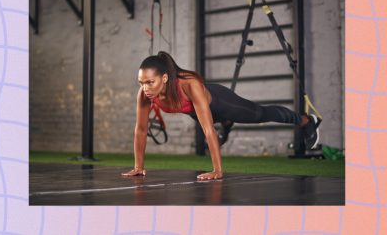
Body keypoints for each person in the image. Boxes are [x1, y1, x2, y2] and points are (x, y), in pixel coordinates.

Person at [121, 51, 320, 181]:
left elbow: (208, 129)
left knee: (259, 114)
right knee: (211, 125)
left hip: (219, 101)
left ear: (164, 78)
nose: (145, 88)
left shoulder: (189, 85)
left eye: (149, 82)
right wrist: (138, 166)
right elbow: (140, 129)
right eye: (141, 83)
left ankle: (306, 120)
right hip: (196, 111)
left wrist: (218, 171)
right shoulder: (145, 95)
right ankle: (225, 122)